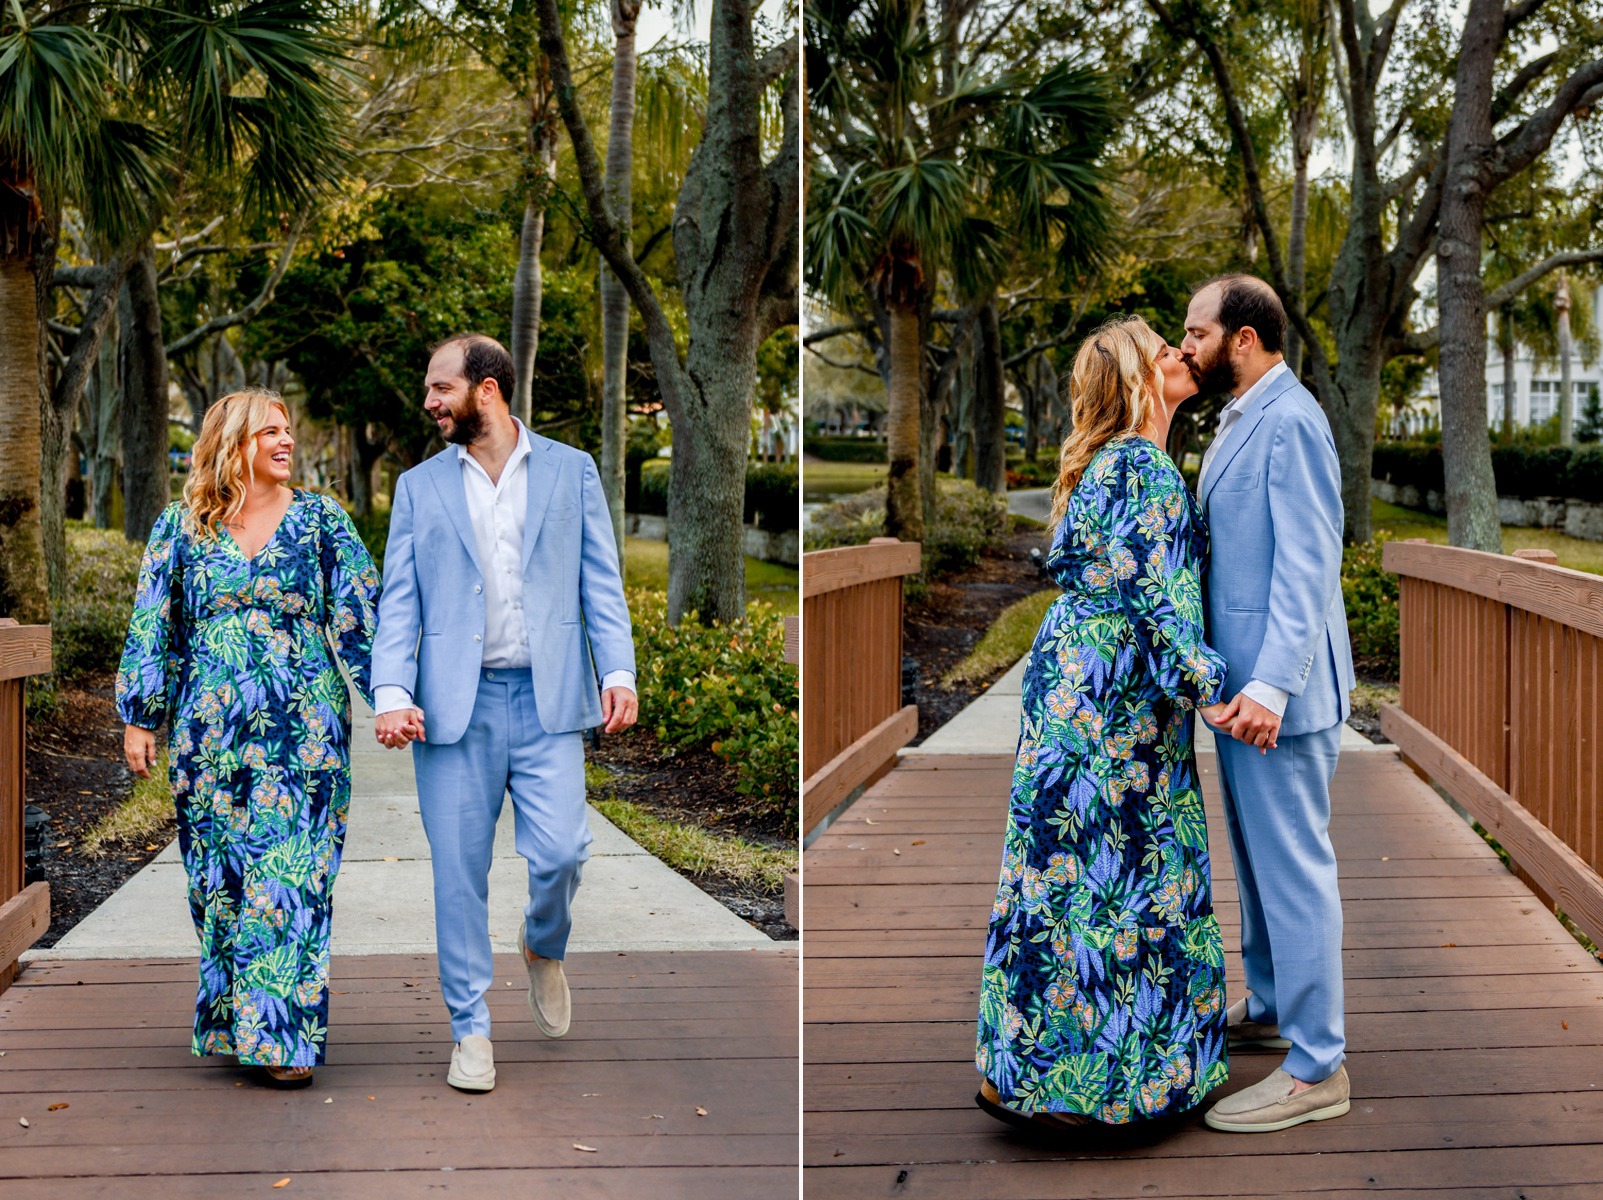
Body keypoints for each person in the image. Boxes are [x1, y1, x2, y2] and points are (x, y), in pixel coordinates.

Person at [975, 316, 1240, 1134]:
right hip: (1114, 696)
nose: (1179, 353)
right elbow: (1158, 605)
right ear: (1134, 378)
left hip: (1072, 682)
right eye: (1163, 349)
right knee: (1123, 871)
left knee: (1058, 869)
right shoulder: (1143, 467)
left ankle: (1026, 1076)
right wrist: (1214, 688)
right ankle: (1114, 1089)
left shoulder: (1105, 463)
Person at [370, 333, 636, 1094]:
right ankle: (470, 1031)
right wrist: (392, 692)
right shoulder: (420, 487)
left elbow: (601, 581)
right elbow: (399, 601)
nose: (429, 402)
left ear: (486, 389)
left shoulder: (570, 470)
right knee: (459, 875)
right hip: (456, 711)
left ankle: (541, 942)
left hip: (550, 701)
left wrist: (617, 671)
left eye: (440, 388)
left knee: (562, 854)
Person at [117, 389, 382, 1088]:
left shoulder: (323, 521)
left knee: (294, 873)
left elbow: (363, 616)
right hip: (211, 736)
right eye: (271, 431)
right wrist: (142, 716)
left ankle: (285, 1041)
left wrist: (398, 696)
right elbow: (155, 625)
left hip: (306, 734)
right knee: (222, 881)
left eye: (289, 429)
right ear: (234, 443)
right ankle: (240, 1020)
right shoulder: (181, 528)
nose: (286, 441)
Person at [1181, 274, 1355, 1133]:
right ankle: (1275, 1004)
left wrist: (1269, 685)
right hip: (1241, 693)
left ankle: (1318, 1066)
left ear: (1242, 337)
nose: (1186, 347)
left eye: (1196, 333)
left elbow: (1308, 564)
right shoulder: (1242, 413)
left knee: (1293, 871)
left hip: (1275, 695)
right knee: (1254, 866)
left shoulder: (1291, 420)